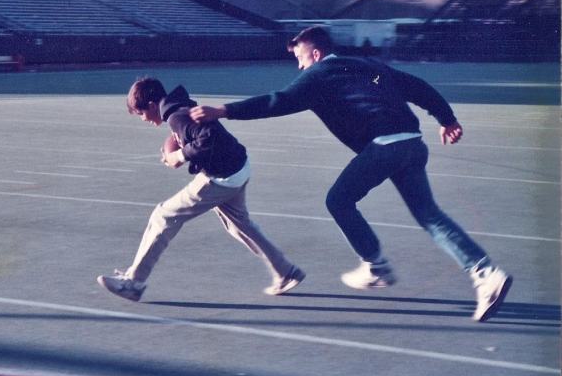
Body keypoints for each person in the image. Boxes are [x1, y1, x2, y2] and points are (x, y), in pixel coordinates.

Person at [189, 26, 512, 322]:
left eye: (300, 59)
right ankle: (486, 274)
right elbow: (417, 86)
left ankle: (377, 267)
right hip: (412, 144)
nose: (300, 68)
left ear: (315, 54)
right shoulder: (369, 65)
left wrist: (224, 110)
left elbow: (280, 101)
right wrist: (446, 119)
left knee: (339, 201)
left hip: (385, 146)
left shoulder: (318, 74)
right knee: (429, 215)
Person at [96, 77, 305, 302]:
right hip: (238, 168)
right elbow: (195, 132)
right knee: (240, 226)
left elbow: (209, 139)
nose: (144, 119)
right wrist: (174, 144)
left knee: (163, 216)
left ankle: (133, 283)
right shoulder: (178, 106)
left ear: (151, 105)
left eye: (141, 114)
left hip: (220, 178)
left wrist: (179, 155)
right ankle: (286, 271)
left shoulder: (176, 116)